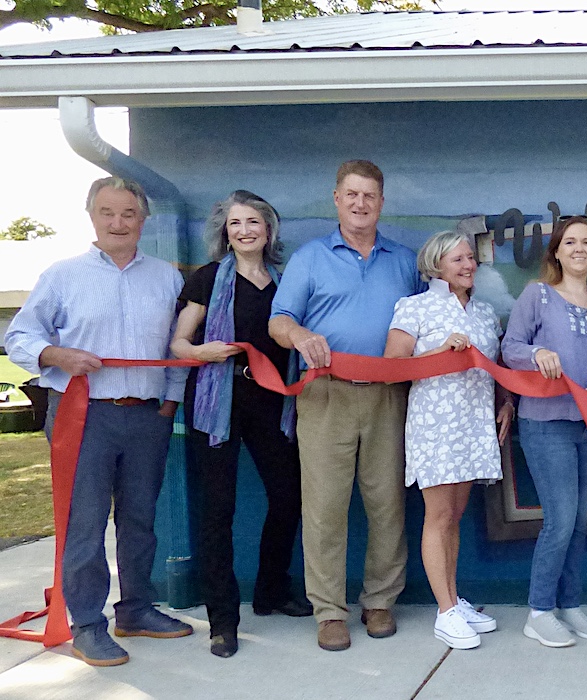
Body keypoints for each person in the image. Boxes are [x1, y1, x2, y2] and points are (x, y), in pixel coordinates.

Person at [5, 176, 192, 666]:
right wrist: (55, 354)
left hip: (147, 417)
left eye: (128, 214)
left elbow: (175, 345)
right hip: (82, 417)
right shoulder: (62, 275)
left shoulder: (167, 278)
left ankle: (136, 609)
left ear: (142, 220)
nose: (118, 223)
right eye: (108, 212)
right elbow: (19, 335)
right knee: (84, 526)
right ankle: (88, 624)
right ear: (92, 216)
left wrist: (169, 403)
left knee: (140, 521)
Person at [268, 160, 423, 652]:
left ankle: (379, 602)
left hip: (388, 395)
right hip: (325, 393)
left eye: (369, 196)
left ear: (381, 202)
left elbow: (427, 320)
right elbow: (279, 321)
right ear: (336, 199)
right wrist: (301, 335)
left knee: (387, 505)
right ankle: (329, 612)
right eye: (351, 194)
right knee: (324, 508)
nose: (360, 204)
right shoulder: (310, 258)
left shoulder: (404, 260)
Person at [171, 191, 311, 659]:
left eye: (253, 221)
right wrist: (200, 352)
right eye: (235, 223)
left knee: (289, 495)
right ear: (224, 232)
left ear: (268, 229)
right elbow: (179, 343)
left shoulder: (284, 284)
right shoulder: (208, 279)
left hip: (272, 401)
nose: (244, 230)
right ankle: (223, 619)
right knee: (218, 510)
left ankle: (271, 588)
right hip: (217, 401)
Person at [384, 230, 513, 650]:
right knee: (437, 516)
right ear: (436, 264)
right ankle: (444, 612)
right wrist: (439, 351)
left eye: (471, 258)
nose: (468, 265)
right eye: (458, 259)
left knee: (454, 517)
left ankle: (453, 600)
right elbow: (393, 366)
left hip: (474, 424)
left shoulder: (485, 313)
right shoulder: (415, 307)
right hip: (435, 426)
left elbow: (495, 368)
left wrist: (506, 402)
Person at [501, 215, 587, 649]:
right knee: (559, 520)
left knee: (579, 522)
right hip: (546, 423)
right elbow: (510, 347)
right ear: (555, 251)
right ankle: (539, 611)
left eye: (586, 243)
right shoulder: (537, 296)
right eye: (569, 242)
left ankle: (570, 604)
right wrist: (537, 354)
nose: (578, 249)